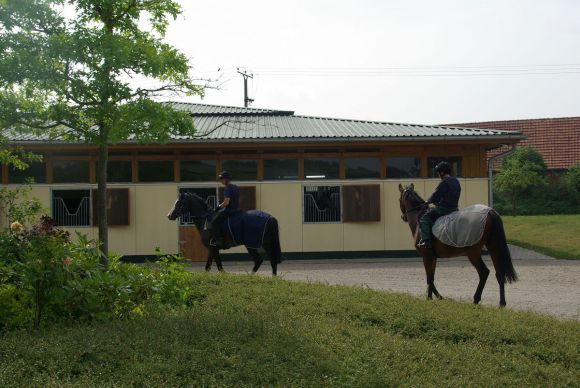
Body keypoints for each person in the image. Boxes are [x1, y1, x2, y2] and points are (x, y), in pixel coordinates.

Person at [417, 162, 461, 249]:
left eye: (438, 172)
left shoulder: (444, 182)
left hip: (444, 209)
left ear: (442, 172)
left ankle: (426, 241)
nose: (438, 175)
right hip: (455, 209)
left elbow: (435, 195)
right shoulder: (456, 181)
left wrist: (428, 201)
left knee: (424, 219)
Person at [210, 171, 240, 247]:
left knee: (214, 222)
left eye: (222, 179)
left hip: (229, 211)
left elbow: (226, 203)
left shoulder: (228, 189)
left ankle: (219, 240)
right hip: (236, 210)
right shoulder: (235, 187)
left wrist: (218, 208)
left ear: (226, 179)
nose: (221, 181)